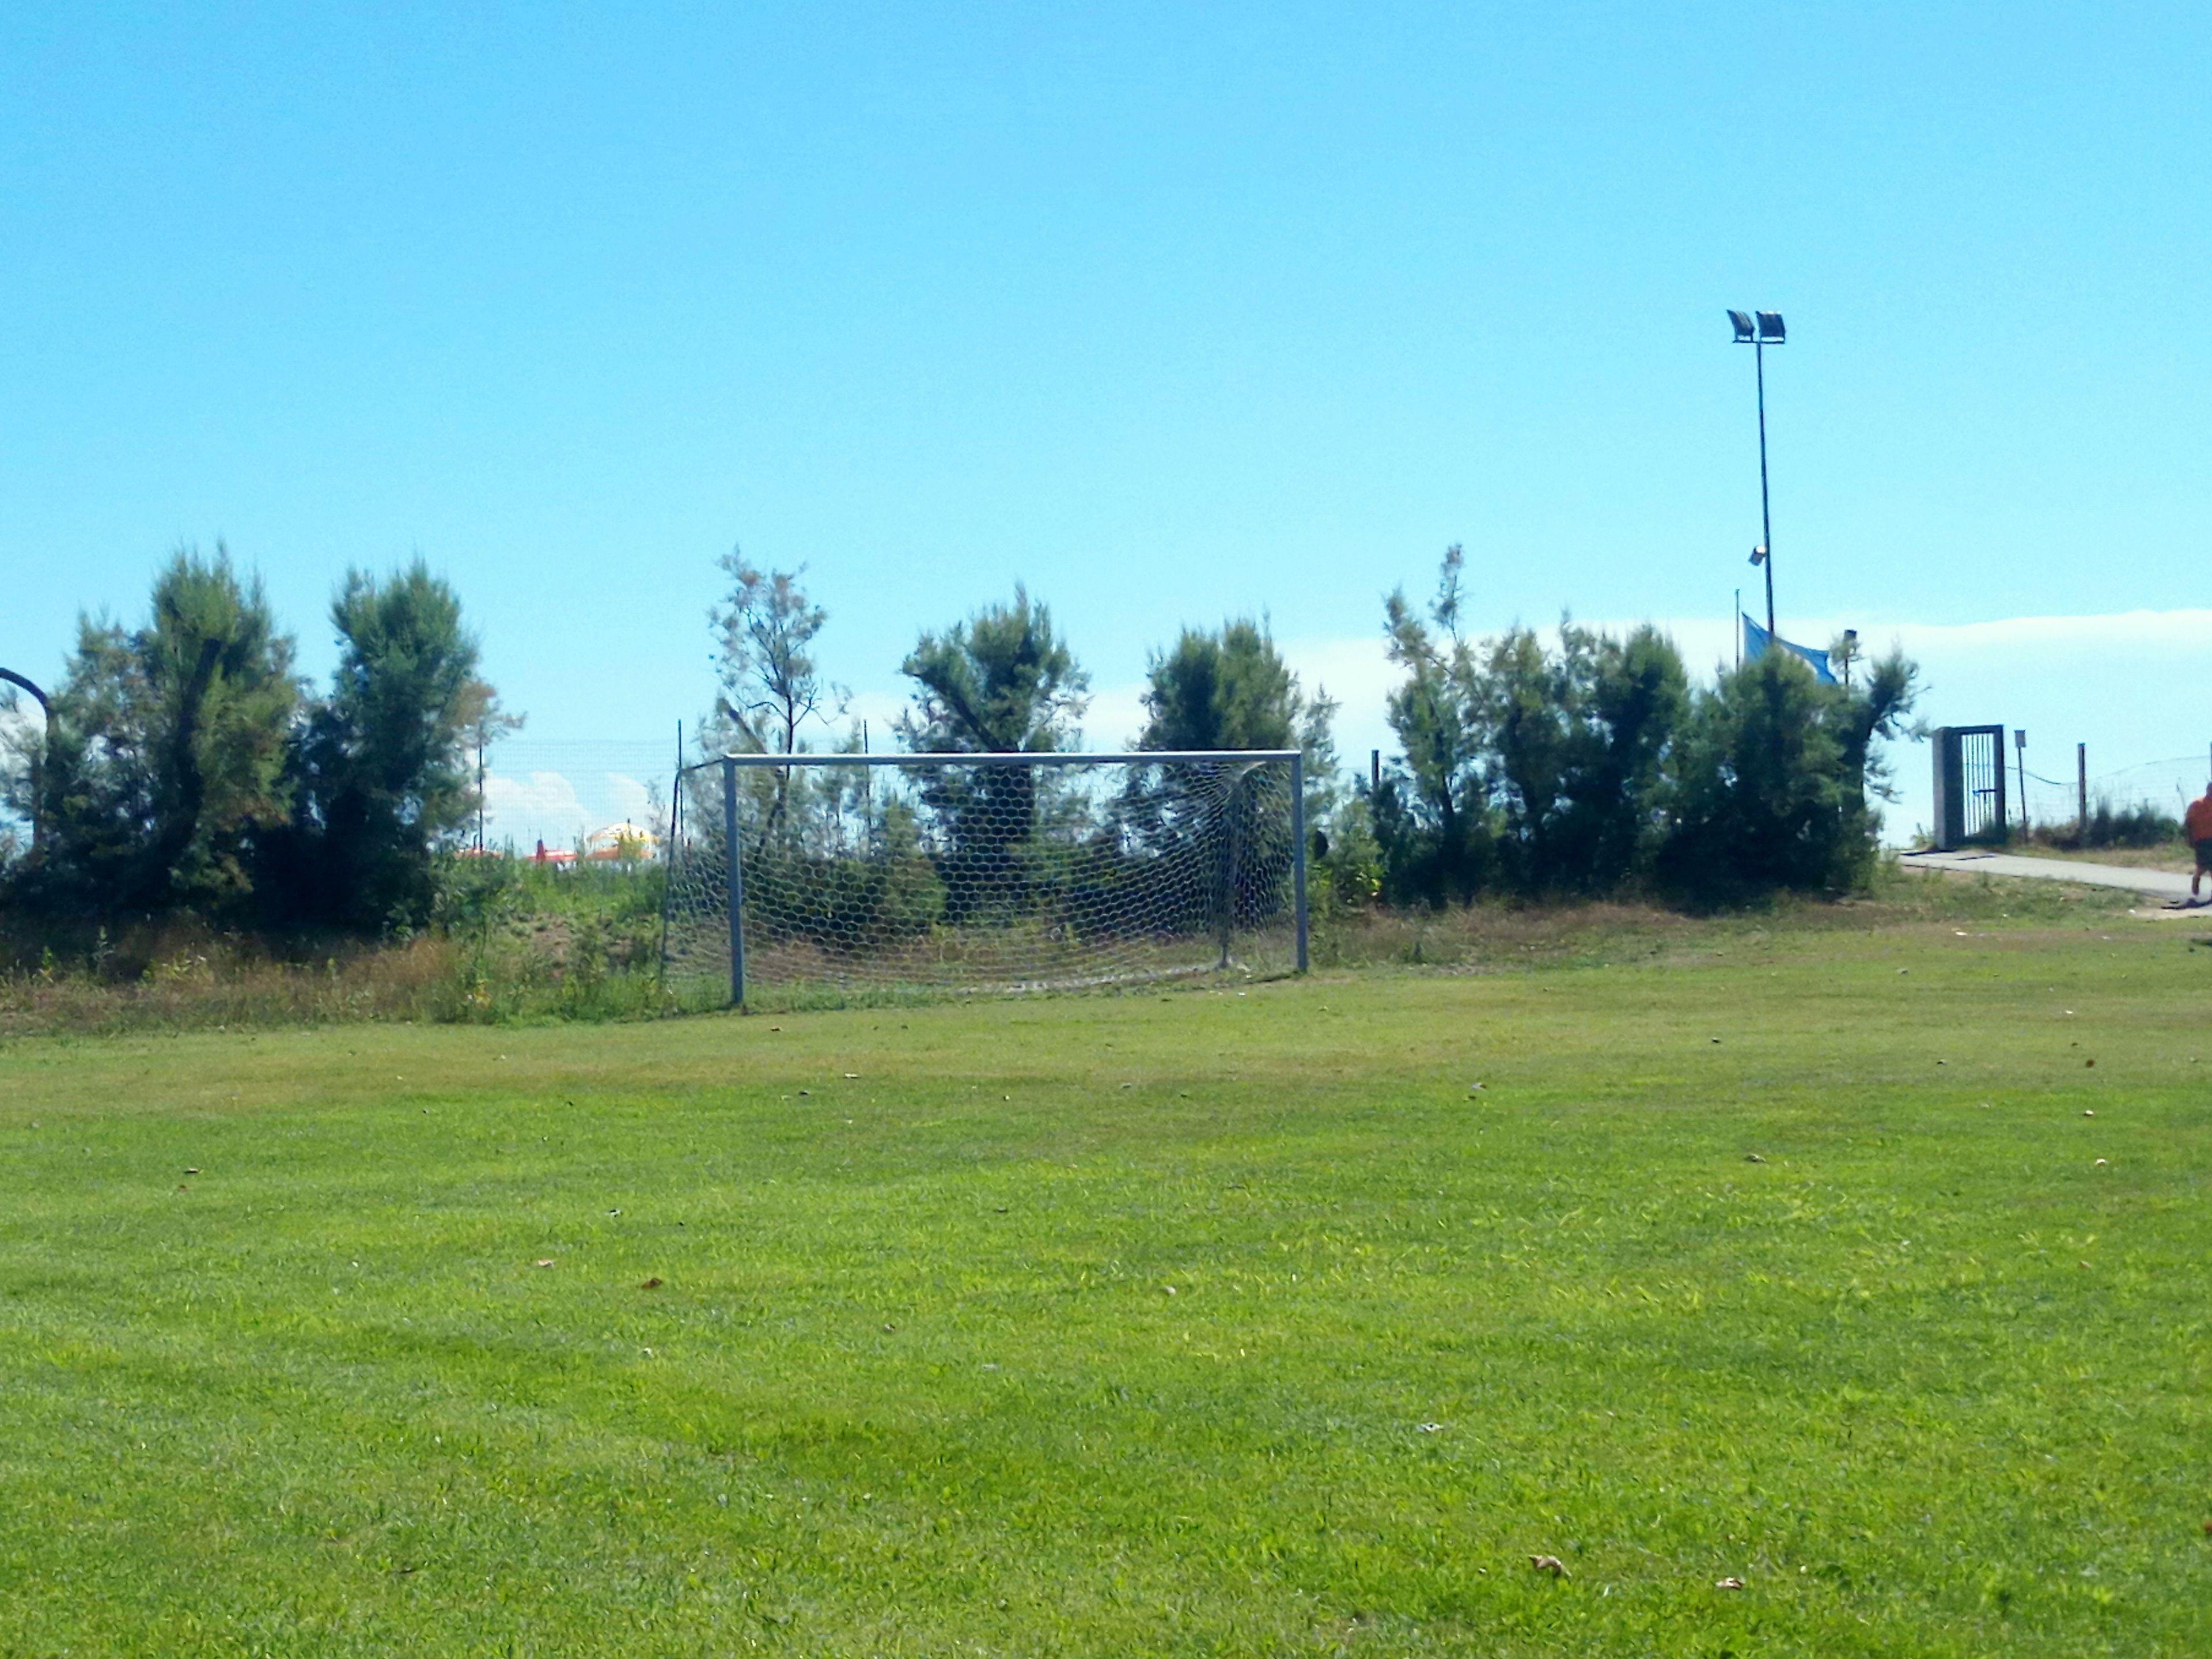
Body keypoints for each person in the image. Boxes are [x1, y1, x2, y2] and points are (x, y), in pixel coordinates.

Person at [2187, 783, 2212, 904]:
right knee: (2203, 865)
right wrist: (2190, 838)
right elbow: (2188, 823)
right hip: (2202, 839)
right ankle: (2196, 878)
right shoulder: (2197, 804)